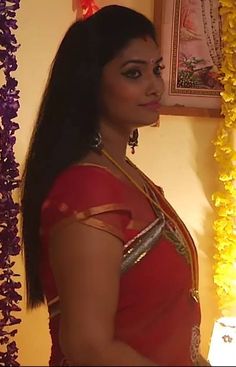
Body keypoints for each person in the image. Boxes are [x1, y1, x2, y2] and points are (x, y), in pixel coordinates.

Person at [21, 5, 208, 366]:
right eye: (133, 73)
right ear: (89, 83)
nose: (155, 85)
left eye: (157, 69)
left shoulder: (123, 172)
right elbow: (89, 348)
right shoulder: (86, 187)